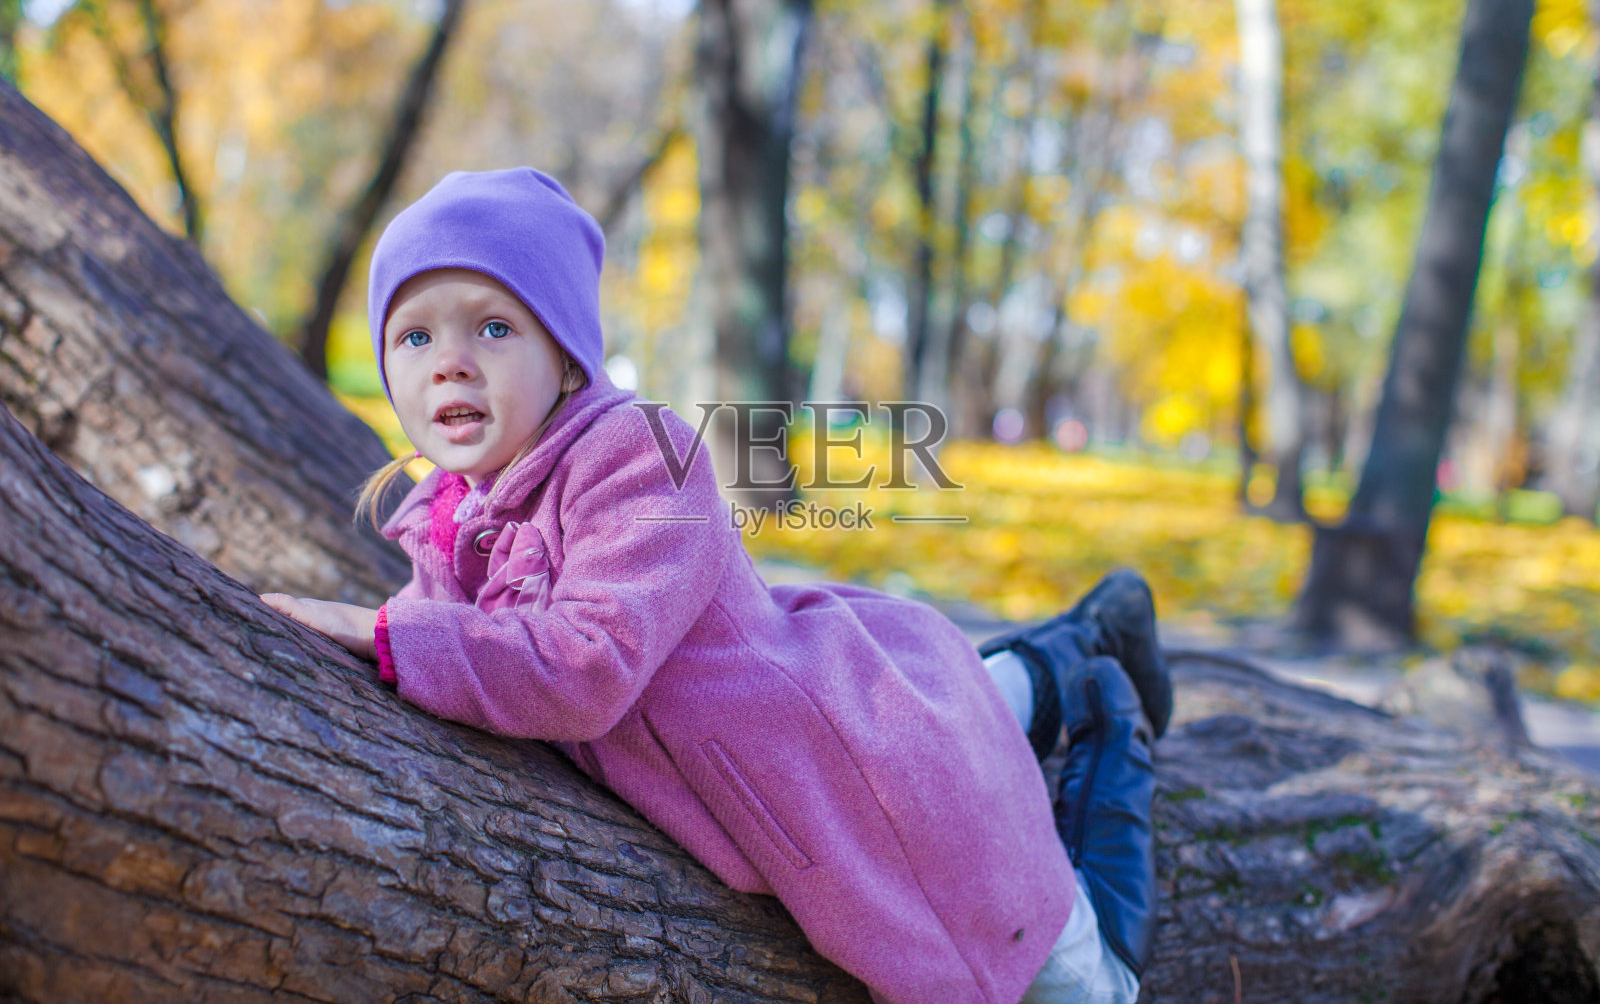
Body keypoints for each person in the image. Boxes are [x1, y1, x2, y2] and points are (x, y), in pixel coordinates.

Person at [260, 167, 1173, 1004]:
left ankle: (1105, 709)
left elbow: (585, 666)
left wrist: (389, 635)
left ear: (567, 354)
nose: (449, 360)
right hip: (816, 721)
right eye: (414, 335)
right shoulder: (446, 517)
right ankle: (1083, 638)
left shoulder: (645, 460)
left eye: (494, 326)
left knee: (1086, 986)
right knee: (966, 703)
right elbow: (463, 650)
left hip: (859, 775)